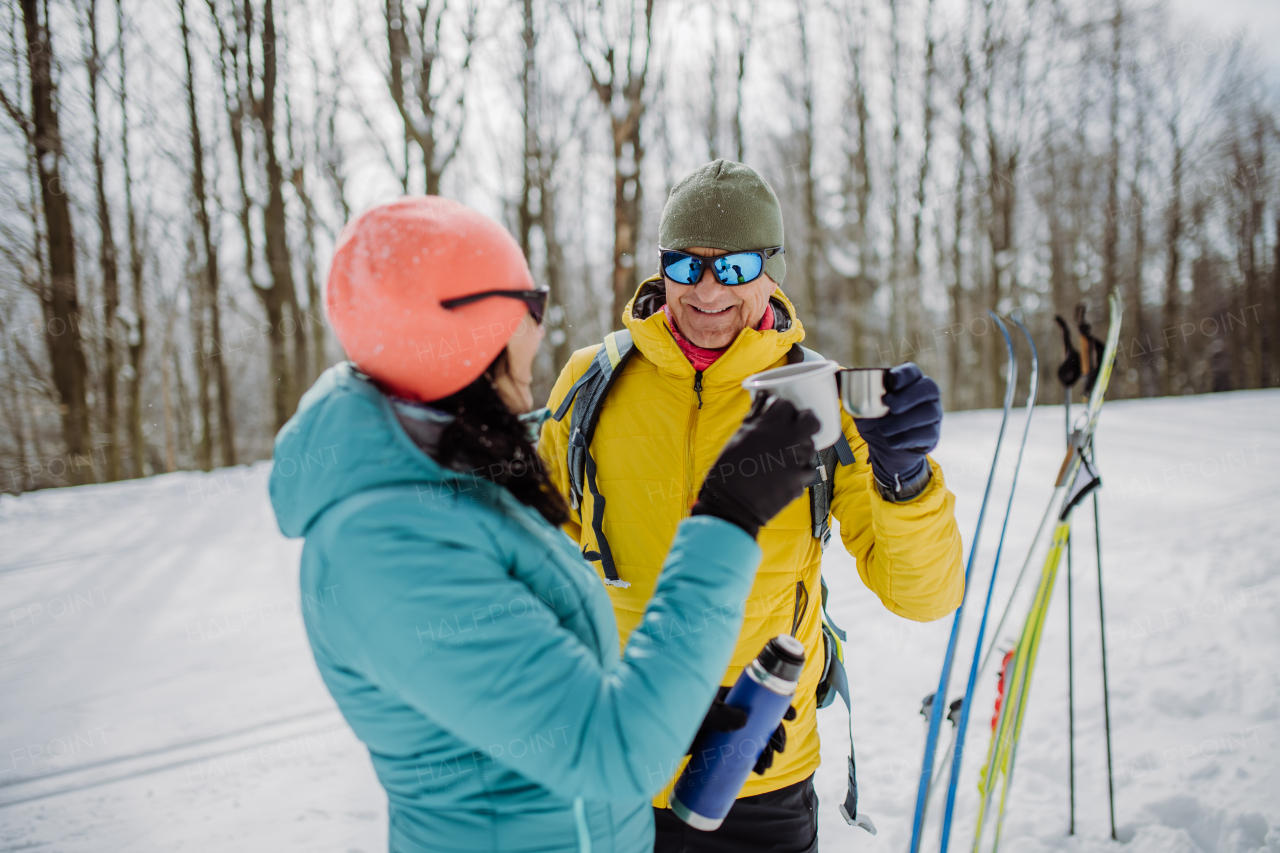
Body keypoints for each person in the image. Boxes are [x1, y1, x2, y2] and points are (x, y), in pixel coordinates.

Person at [267, 196, 823, 853]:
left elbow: (546, 694)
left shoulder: (453, 481)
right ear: (471, 331)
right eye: (529, 301)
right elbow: (611, 754)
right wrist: (729, 515)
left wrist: (671, 712)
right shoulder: (386, 543)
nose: (541, 322)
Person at [538, 160, 965, 853]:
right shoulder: (592, 381)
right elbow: (529, 573)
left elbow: (926, 596)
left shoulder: (815, 396)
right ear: (661, 268)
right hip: (614, 765)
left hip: (760, 774)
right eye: (684, 264)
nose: (706, 289)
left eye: (733, 267)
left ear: (772, 271)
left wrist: (906, 476)